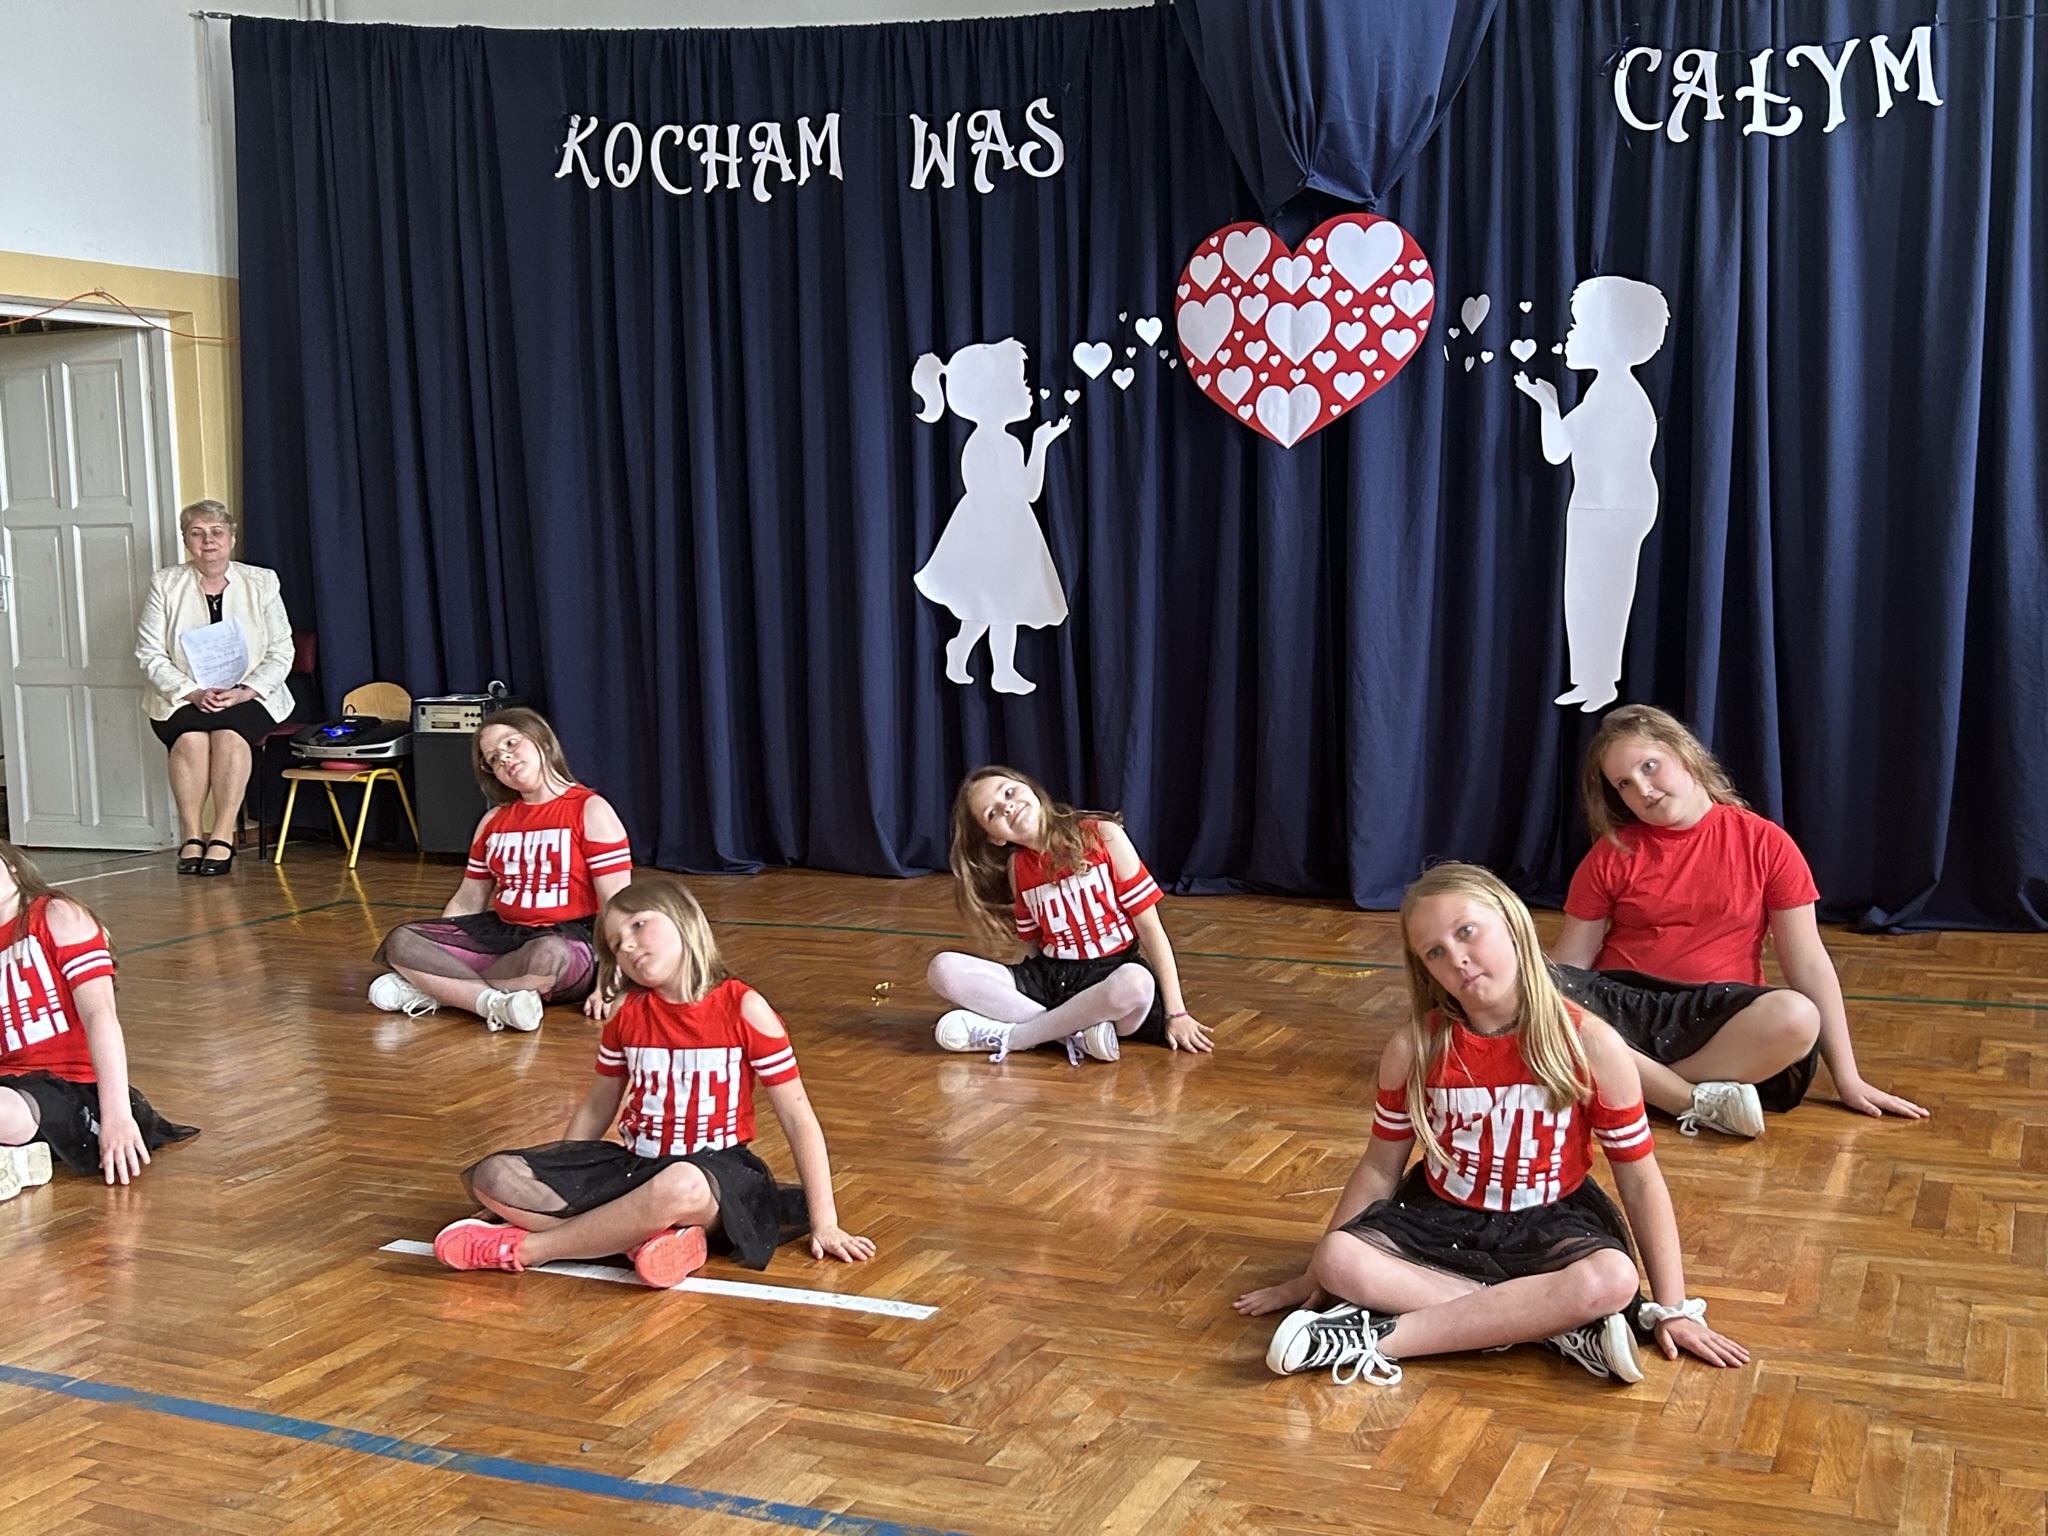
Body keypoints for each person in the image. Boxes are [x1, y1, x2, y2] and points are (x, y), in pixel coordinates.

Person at [1236, 863, 1746, 1388]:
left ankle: (1373, 1339)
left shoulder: (1591, 1044)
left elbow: (1639, 1179)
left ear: (1513, 923)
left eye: (1467, 931)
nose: (1457, 957)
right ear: (1425, 970)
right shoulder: (1414, 1047)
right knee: (1338, 1259)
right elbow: (1378, 1167)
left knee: (1613, 1278)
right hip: (1440, 1220)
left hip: (1550, 1224)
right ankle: (1554, 1326)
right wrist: (1313, 1275)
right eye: (1435, 952)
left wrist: (1674, 1308)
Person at [432, 875, 874, 1285]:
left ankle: (530, 1249)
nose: (628, 945)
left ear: (685, 921)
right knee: (494, 1176)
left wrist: (826, 1223)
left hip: (715, 1177)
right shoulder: (627, 1013)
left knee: (681, 1183)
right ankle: (641, 1238)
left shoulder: (744, 1008)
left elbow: (797, 1118)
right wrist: (561, 1176)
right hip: (636, 1166)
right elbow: (597, 1105)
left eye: (640, 925)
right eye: (616, 944)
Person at [1553, 703, 1927, 1137]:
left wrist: (1848, 1079)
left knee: (1797, 1016)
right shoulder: (1612, 853)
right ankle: (1686, 1100)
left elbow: (1808, 965)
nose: (1643, 789)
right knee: (1537, 986)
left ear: (1685, 753)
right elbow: (1570, 964)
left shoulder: (1766, 843)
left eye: (1649, 766)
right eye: (1624, 784)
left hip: (1715, 1021)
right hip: (1624, 1010)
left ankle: (1635, 1086)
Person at [925, 765, 1212, 1065]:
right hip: (1053, 977)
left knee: (1137, 981)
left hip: (1112, 976)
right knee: (942, 968)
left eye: (1008, 792)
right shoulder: (1017, 867)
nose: (1006, 806)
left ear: (1032, 789)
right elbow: (1029, 947)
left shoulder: (1102, 834)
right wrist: (997, 996)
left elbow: (1151, 928)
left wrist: (1177, 1013)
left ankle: (1017, 1037)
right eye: (992, 813)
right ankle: (1074, 1034)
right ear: (994, 837)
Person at [366, 708, 631, 1033]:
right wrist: (445, 944)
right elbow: (467, 901)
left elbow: (618, 903)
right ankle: (490, 1003)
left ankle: (438, 990)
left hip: (570, 940)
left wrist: (610, 977)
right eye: (493, 758)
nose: (504, 757)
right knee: (402, 940)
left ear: (542, 740)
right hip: (503, 935)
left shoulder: (590, 809)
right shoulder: (492, 822)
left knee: (547, 955)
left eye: (511, 743)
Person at [0, 839, 198, 1199]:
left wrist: (117, 1115)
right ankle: (17, 1158)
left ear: (13, 867)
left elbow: (100, 1015)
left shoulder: (57, 914)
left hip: (71, 1087)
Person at [1513, 275, 1670, 713]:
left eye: (1579, 326)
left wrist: (1552, 408)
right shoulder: (1605, 392)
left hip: (1612, 510)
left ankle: (1600, 681)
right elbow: (1558, 450)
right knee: (1585, 593)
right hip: (1599, 507)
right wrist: (1548, 405)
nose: (1570, 335)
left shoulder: (1619, 394)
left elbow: (1564, 449)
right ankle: (1590, 679)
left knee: (1602, 594)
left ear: (1612, 337)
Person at [135, 499, 296, 875]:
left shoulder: (262, 581)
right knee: (191, 739)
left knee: (229, 735)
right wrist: (191, 691)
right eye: (197, 533)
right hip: (182, 695)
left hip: (250, 694)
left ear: (231, 538)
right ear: (186, 541)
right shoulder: (165, 583)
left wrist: (247, 691)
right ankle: (192, 836)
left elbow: (282, 650)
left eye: (216, 532)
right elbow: (149, 653)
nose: (208, 541)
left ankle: (222, 836)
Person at [911, 339, 1071, 695]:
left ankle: (990, 665)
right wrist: (1038, 446)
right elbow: (1005, 491)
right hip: (990, 533)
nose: (1027, 389)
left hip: (1008, 531)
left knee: (999, 605)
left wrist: (1040, 444)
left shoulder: (1010, 444)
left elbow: (1029, 492)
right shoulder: (982, 444)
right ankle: (976, 657)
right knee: (994, 603)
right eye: (1019, 382)